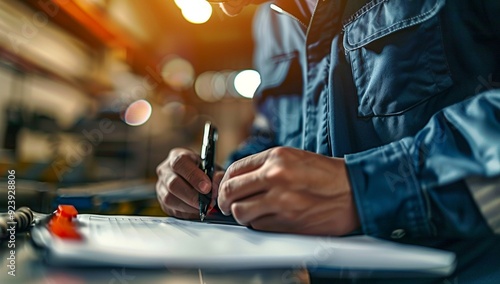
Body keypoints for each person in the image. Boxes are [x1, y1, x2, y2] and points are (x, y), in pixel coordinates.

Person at [157, 0, 500, 281]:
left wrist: (367, 187)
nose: (226, 9)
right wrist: (219, 182)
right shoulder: (269, 20)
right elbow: (275, 134)